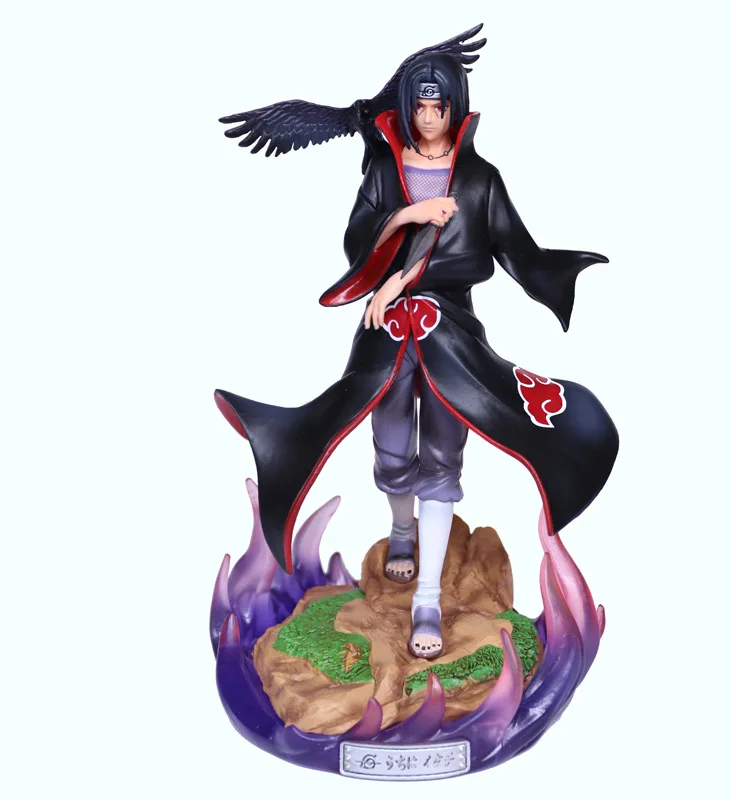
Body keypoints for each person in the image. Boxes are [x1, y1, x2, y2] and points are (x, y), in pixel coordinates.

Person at [215, 51, 619, 661]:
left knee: (443, 458)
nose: (429, 118)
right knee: (390, 446)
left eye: (439, 106)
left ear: (455, 109)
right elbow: (357, 239)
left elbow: (507, 248)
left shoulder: (479, 179)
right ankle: (401, 529)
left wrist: (551, 272)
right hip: (385, 333)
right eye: (420, 107)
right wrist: (408, 216)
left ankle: (427, 597)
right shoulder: (384, 169)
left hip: (452, 334)